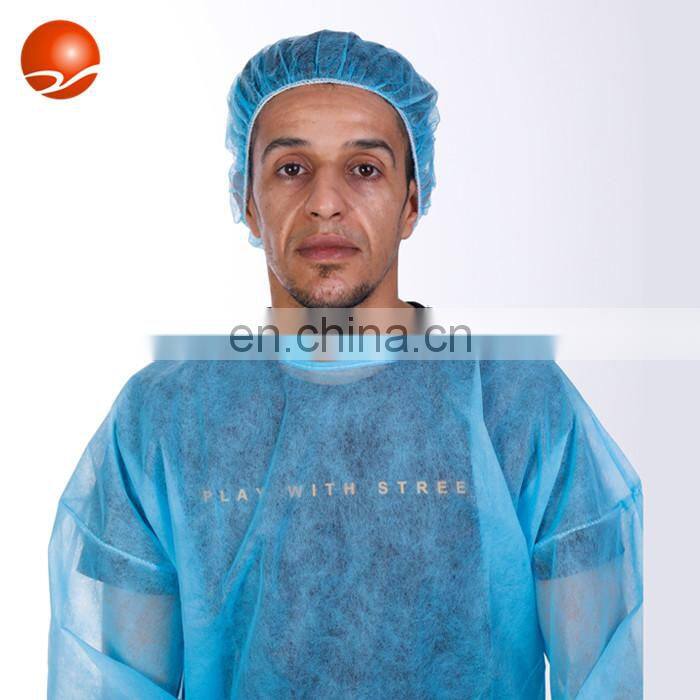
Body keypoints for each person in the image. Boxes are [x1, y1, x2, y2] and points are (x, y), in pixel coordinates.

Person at [47, 29, 643, 699]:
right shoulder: (163, 418)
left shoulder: (519, 402)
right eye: (291, 168)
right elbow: (119, 685)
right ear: (247, 202)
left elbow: (605, 679)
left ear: (412, 201)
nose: (325, 201)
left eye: (364, 169)